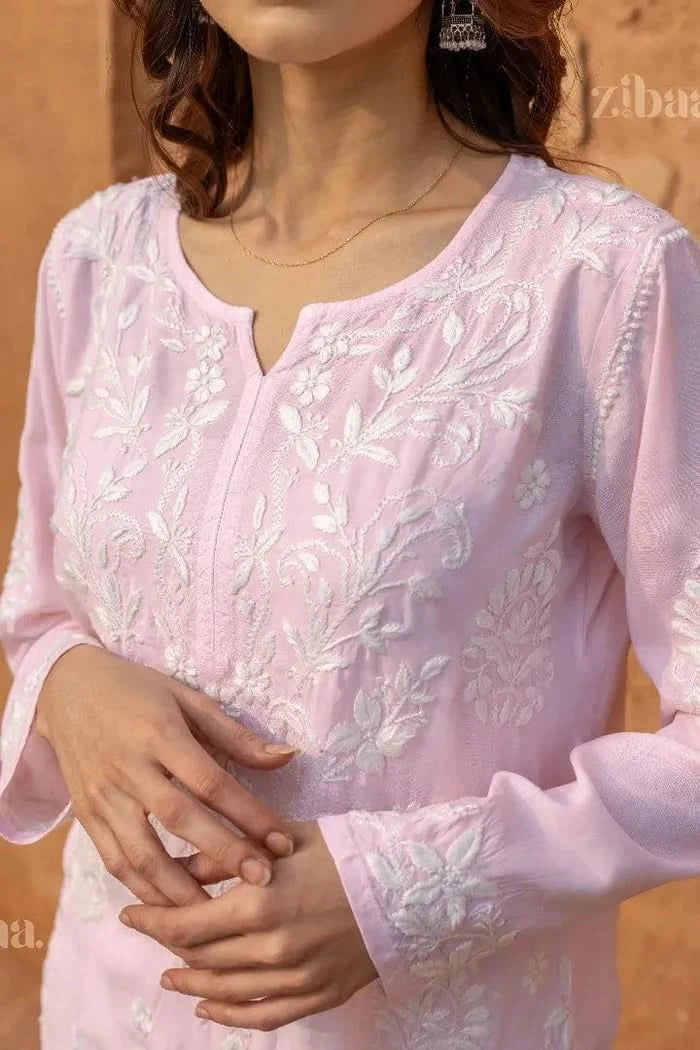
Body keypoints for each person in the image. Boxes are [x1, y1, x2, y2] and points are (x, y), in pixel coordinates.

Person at [1, 0, 699, 1047]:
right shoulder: (100, 261)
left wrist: (403, 895)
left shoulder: (598, 281)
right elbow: (39, 609)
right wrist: (66, 685)